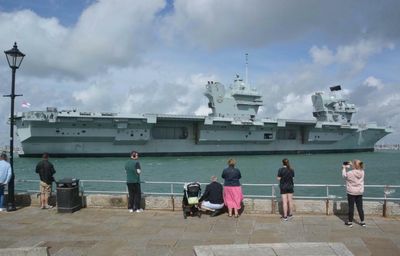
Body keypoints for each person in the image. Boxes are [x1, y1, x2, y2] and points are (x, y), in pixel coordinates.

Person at [342, 159, 365, 227]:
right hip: (359, 192)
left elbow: (344, 176)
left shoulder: (350, 173)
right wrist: (353, 165)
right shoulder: (362, 172)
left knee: (351, 207)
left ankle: (350, 222)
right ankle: (362, 222)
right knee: (360, 207)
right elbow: (358, 168)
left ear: (354, 165)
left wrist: (344, 168)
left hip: (351, 192)